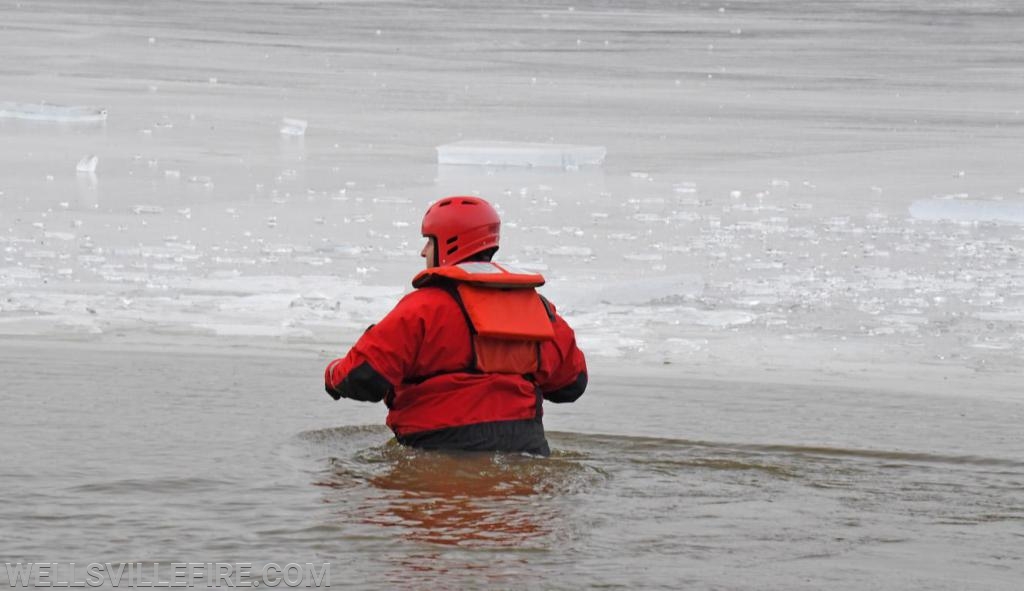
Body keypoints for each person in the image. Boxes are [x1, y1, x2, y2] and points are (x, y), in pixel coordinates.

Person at [323, 195, 587, 456]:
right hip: (525, 450)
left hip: (437, 447)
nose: (423, 251)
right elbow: (571, 384)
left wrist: (333, 374)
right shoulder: (537, 308)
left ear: (449, 243)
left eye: (429, 241)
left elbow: (363, 377)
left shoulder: (423, 308)